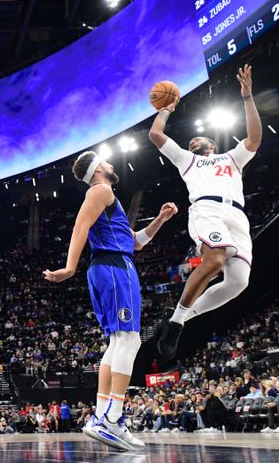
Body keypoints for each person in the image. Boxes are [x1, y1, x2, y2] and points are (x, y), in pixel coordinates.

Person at [44, 153, 177, 451]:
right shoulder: (100, 191)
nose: (114, 165)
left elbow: (137, 241)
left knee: (117, 342)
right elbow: (80, 227)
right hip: (115, 269)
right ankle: (113, 418)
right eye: (108, 161)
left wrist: (160, 219)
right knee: (129, 341)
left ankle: (103, 415)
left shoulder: (108, 202)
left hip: (110, 267)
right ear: (99, 169)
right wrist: (69, 267)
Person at [149, 64, 261, 360]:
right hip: (207, 210)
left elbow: (254, 139)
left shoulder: (231, 158)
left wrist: (247, 97)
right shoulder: (187, 161)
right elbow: (156, 135)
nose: (191, 142)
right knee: (214, 260)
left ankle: (179, 317)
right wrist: (166, 109)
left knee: (239, 282)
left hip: (237, 217)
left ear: (211, 144)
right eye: (189, 142)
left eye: (197, 140)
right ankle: (175, 325)